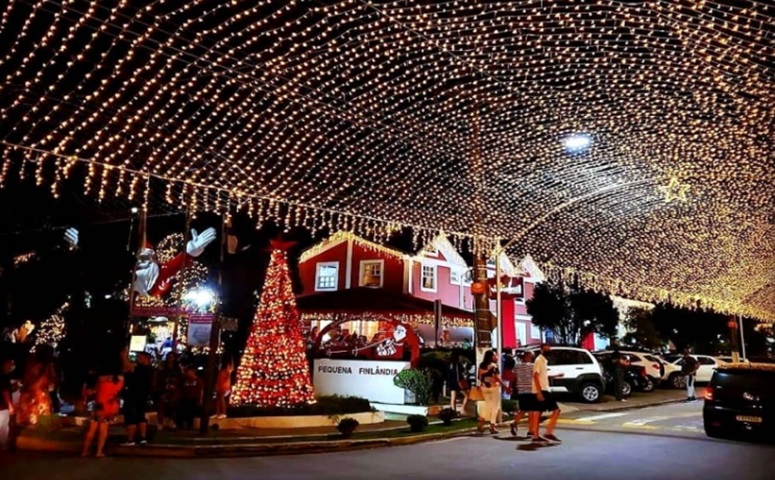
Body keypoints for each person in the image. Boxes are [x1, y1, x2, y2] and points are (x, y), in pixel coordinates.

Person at [81, 364, 124, 457]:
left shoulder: (100, 379)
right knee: (104, 430)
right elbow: (119, 393)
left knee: (92, 429)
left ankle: (85, 451)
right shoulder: (120, 379)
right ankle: (99, 451)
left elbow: (95, 390)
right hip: (110, 405)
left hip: (99, 404)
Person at [531, 343, 563, 444]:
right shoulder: (539, 360)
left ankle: (536, 435)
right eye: (546, 349)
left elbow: (542, 375)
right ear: (541, 350)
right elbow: (535, 376)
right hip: (542, 390)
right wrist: (539, 392)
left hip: (542, 389)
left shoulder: (543, 361)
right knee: (556, 410)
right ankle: (548, 432)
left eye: (549, 349)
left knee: (538, 412)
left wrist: (554, 375)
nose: (548, 351)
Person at [122, 352, 154, 446]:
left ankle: (131, 439)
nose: (138, 359)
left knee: (131, 416)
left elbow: (128, 369)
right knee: (140, 415)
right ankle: (142, 438)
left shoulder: (140, 369)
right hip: (143, 395)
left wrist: (123, 356)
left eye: (140, 357)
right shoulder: (149, 370)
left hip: (134, 394)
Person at [477, 350, 507, 434]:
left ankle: (481, 422)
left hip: (484, 387)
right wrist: (505, 386)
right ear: (491, 357)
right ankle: (492, 426)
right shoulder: (494, 366)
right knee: (495, 407)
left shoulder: (481, 365)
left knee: (487, 406)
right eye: (495, 355)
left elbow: (479, 376)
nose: (496, 357)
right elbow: (497, 377)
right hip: (493, 387)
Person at [510, 351, 537, 437]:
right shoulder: (533, 366)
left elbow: (513, 377)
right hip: (530, 389)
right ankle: (531, 430)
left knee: (524, 409)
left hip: (521, 390)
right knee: (531, 411)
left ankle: (515, 423)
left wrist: (512, 387)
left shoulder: (517, 366)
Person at [0, 357, 15, 451]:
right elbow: (5, 391)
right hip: (2, 405)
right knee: (3, 426)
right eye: (10, 363)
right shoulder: (4, 376)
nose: (11, 366)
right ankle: (3, 444)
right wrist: (10, 405)